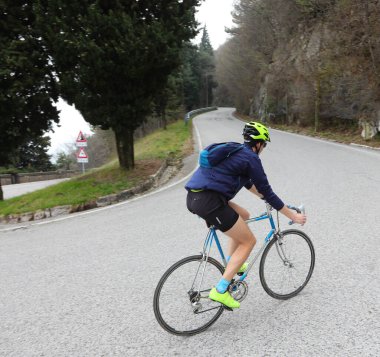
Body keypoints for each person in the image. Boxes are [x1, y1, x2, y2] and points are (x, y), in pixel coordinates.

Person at [185, 121, 307, 309]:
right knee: (248, 241)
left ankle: (231, 263)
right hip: (211, 203)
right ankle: (220, 290)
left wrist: (266, 199)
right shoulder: (251, 158)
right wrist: (292, 215)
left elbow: (249, 184)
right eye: (264, 144)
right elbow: (267, 190)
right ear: (258, 143)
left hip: (195, 198)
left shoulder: (235, 152)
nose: (264, 148)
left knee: (243, 214)